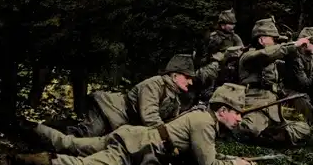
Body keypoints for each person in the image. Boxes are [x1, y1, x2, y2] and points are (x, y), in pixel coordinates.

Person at [5, 83, 258, 165]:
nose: (239, 118)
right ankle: (17, 161)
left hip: (131, 136)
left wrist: (231, 160)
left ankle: (29, 127)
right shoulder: (204, 124)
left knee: (71, 142)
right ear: (223, 110)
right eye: (237, 112)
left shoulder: (202, 117)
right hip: (133, 150)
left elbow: (204, 156)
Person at [58, 52, 229, 138]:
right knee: (86, 135)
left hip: (124, 122)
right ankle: (46, 136)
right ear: (175, 75)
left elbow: (172, 122)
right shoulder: (154, 84)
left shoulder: (175, 97)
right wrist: (165, 138)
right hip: (109, 110)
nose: (190, 82)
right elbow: (149, 117)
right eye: (187, 77)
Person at [235, 17, 311, 146]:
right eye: (274, 39)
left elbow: (295, 75)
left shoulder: (274, 62)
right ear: (261, 40)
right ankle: (260, 136)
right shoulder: (249, 57)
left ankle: (268, 137)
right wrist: (293, 45)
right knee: (250, 128)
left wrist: (295, 54)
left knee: (303, 129)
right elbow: (266, 55)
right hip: (255, 106)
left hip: (273, 108)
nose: (276, 42)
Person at [282, 26, 313, 122]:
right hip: (291, 91)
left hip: (303, 87)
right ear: (304, 44)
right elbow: (305, 85)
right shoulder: (295, 58)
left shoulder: (309, 53)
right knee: (305, 109)